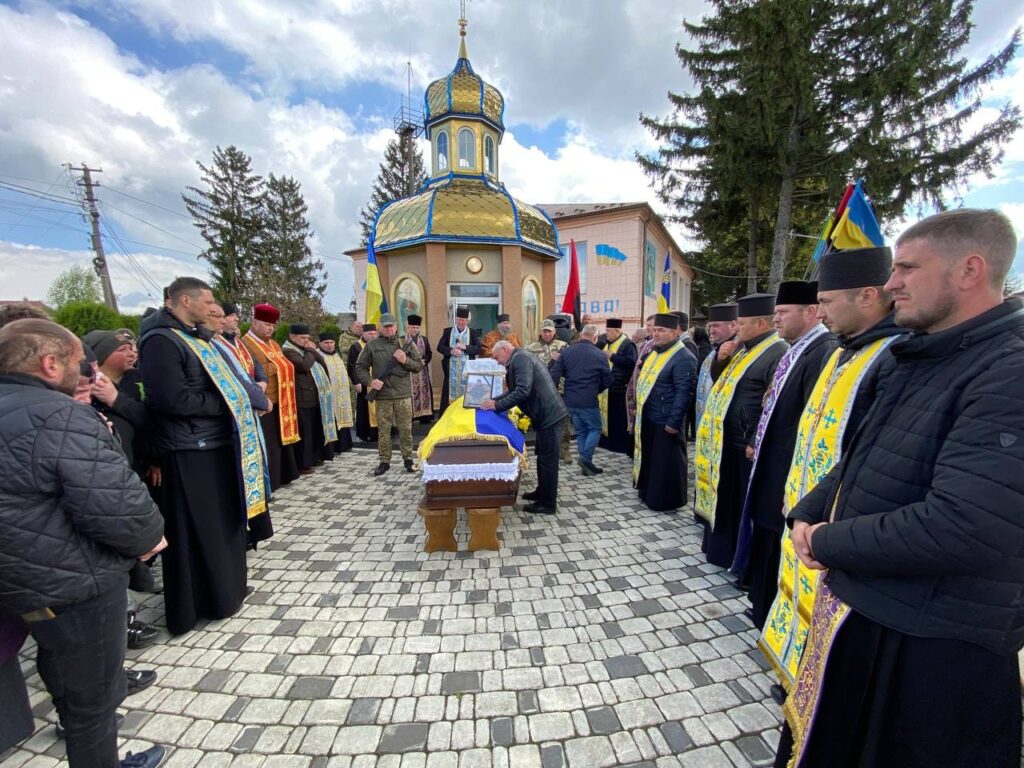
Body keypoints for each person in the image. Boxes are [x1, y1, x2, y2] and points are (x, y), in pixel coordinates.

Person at [775, 209, 1024, 766]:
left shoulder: (1009, 370)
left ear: (970, 270)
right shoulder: (912, 357)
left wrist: (825, 542)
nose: (890, 285)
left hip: (934, 642)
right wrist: (806, 509)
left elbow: (967, 525)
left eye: (908, 268)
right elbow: (859, 456)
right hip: (874, 609)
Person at [0, 319, 167, 768]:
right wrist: (150, 538)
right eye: (79, 363)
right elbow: (115, 502)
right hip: (73, 582)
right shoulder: (60, 415)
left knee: (57, 666)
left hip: (14, 582)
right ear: (50, 363)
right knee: (93, 703)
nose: (87, 374)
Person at [759, 247, 904, 697]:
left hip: (840, 522)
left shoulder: (893, 357)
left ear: (866, 296)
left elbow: (865, 449)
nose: (819, 312)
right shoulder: (846, 351)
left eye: (826, 301)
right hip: (810, 509)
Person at [140, 277, 269, 636]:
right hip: (188, 451)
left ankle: (225, 594)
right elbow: (171, 400)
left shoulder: (196, 337)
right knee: (198, 530)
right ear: (185, 300)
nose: (214, 308)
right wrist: (228, 404)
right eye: (208, 301)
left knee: (221, 526)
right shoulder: (161, 342)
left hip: (214, 445)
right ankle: (197, 604)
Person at [729, 281, 836, 629]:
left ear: (810, 312)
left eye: (782, 312)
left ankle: (767, 608)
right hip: (772, 466)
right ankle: (760, 602)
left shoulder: (822, 350)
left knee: (775, 541)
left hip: (788, 472)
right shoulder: (796, 348)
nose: (776, 319)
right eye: (774, 312)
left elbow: (809, 419)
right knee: (765, 537)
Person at [696, 293, 787, 569]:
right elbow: (722, 383)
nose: (737, 327)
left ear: (761, 323)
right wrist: (721, 360)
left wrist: (752, 438)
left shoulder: (776, 351)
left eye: (742, 323)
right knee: (724, 501)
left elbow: (773, 401)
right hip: (725, 441)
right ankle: (719, 551)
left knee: (738, 506)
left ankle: (737, 556)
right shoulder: (742, 347)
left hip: (743, 444)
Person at [483, 340, 568, 514]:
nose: (497, 362)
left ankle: (547, 504)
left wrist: (497, 406)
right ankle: (542, 492)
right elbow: (514, 389)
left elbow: (522, 391)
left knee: (548, 461)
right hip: (545, 416)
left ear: (505, 350)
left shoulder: (520, 359)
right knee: (543, 457)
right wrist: (495, 401)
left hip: (550, 416)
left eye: (497, 357)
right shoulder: (519, 357)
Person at [632, 314, 697, 511]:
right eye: (655, 330)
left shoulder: (684, 356)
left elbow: (684, 392)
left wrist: (673, 422)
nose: (656, 334)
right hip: (650, 416)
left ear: (675, 332)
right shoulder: (655, 352)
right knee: (651, 458)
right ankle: (648, 493)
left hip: (666, 420)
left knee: (666, 463)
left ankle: (665, 501)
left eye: (662, 330)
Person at [355, 313, 423, 476]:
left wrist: (404, 360)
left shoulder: (405, 343)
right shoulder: (372, 345)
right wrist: (371, 382)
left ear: (396, 326)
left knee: (406, 429)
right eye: (385, 326)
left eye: (391, 326)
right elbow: (360, 367)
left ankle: (408, 460)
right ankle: (384, 461)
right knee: (383, 430)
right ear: (380, 327)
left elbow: (419, 365)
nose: (388, 329)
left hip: (402, 395)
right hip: (383, 396)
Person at [242, 304, 301, 490]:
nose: (271, 328)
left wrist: (274, 365)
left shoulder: (274, 344)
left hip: (283, 401)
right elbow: (251, 370)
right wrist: (274, 366)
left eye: (273, 325)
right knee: (270, 445)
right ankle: (272, 481)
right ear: (254, 323)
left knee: (280, 442)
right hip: (264, 402)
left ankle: (285, 475)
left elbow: (281, 364)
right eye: (267, 324)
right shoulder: (246, 344)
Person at [549, 324, 611, 476]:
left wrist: (556, 394)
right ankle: (586, 459)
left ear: (581, 335)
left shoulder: (567, 352)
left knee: (582, 431)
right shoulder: (600, 354)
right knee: (595, 429)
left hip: (570, 399)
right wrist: (596, 389)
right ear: (595, 338)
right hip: (588, 400)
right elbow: (608, 380)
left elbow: (554, 374)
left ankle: (586, 464)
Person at [282, 323, 336, 472]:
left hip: (314, 396)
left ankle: (315, 457)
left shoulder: (305, 350)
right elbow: (304, 365)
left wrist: (312, 350)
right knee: (305, 434)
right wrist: (311, 349)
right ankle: (304, 464)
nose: (306, 340)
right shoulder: (288, 350)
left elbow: (320, 361)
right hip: (301, 398)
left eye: (307, 338)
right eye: (302, 338)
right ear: (293, 337)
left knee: (314, 431)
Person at [526, 318, 572, 462]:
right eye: (544, 331)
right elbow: (528, 368)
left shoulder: (563, 346)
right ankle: (545, 448)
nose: (546, 334)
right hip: (541, 390)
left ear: (554, 332)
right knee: (544, 420)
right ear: (540, 332)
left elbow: (570, 366)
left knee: (564, 419)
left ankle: (564, 449)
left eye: (549, 331)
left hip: (561, 388)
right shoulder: (531, 348)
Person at [596, 318, 637, 455]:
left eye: (609, 331)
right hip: (608, 388)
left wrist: (612, 356)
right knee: (609, 417)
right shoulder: (607, 343)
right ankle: (607, 443)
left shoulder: (627, 344)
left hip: (620, 388)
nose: (606, 333)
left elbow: (631, 363)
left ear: (617, 331)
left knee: (619, 418)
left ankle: (619, 445)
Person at [694, 303, 737, 428]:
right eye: (710, 326)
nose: (711, 330)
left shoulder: (740, 351)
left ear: (733, 325)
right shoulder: (714, 351)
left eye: (716, 325)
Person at [438, 306, 482, 410]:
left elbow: (478, 348)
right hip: (451, 373)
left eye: (463, 320)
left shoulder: (473, 333)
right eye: (458, 319)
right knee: (447, 397)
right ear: (456, 319)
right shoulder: (448, 332)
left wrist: (465, 347)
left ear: (467, 321)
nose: (460, 322)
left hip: (467, 373)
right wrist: (451, 351)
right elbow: (440, 347)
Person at [317, 331, 354, 453]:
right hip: (327, 396)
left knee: (342, 417)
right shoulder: (318, 356)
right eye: (326, 343)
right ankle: (332, 448)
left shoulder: (336, 356)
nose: (329, 345)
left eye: (332, 342)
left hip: (341, 394)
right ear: (320, 344)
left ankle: (344, 445)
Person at [347, 323, 379, 442]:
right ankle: (365, 434)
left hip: (378, 382)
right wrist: (356, 381)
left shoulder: (379, 345)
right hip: (364, 383)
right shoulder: (356, 347)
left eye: (374, 333)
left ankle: (379, 433)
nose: (372, 336)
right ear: (363, 334)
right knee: (364, 409)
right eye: (370, 334)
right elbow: (352, 366)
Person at [626, 314, 657, 433]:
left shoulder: (655, 344)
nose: (647, 327)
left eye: (650, 325)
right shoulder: (648, 343)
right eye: (646, 325)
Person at [404, 314, 434, 423]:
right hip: (409, 371)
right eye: (412, 327)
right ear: (408, 327)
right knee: (410, 392)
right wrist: (411, 363)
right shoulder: (403, 340)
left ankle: (424, 416)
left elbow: (429, 353)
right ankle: (412, 416)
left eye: (417, 327)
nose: (415, 330)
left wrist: (424, 361)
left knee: (424, 391)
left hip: (422, 371)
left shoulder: (424, 340)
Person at [688, 325, 712, 440]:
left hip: (699, 383)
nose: (690, 335)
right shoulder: (696, 345)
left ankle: (694, 432)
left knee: (694, 409)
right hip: (696, 382)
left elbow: (700, 364)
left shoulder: (704, 348)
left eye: (692, 333)